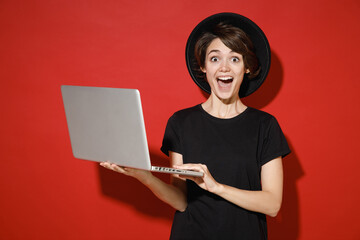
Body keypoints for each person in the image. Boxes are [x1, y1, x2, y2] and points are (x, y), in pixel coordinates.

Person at [101, 12, 290, 240]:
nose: (224, 68)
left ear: (247, 68)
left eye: (234, 59)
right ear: (203, 67)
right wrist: (144, 176)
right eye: (214, 58)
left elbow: (272, 205)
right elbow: (181, 201)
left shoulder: (265, 126)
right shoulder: (181, 122)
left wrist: (216, 186)